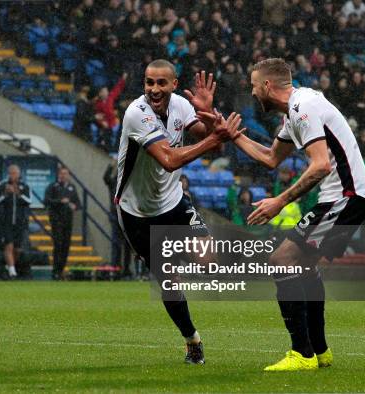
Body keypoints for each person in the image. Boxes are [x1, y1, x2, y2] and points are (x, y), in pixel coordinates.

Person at [230, 58, 365, 371]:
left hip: (345, 196)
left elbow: (320, 165)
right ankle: (319, 352)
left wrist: (279, 201)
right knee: (303, 267)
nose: (253, 94)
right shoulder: (297, 110)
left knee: (281, 259)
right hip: (344, 197)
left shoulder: (302, 107)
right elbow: (270, 158)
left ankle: (302, 353)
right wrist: (231, 135)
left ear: (267, 85)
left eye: (254, 86)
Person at [115, 62, 241, 365]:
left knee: (210, 263)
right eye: (148, 83)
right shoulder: (136, 113)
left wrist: (210, 117)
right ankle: (192, 340)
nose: (154, 89)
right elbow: (169, 161)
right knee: (169, 282)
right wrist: (214, 138)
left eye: (161, 83)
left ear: (174, 84)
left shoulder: (182, 106)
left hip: (173, 203)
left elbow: (209, 141)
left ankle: (176, 254)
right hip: (137, 212)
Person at [44, 166, 81, 280]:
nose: (64, 176)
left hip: (68, 220)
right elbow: (46, 200)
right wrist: (60, 201)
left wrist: (75, 206)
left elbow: (78, 203)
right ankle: (55, 270)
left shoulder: (71, 188)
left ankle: (61, 270)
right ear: (58, 175)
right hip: (56, 220)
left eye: (66, 174)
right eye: (62, 173)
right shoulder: (53, 186)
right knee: (58, 245)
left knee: (66, 245)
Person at [0, 164, 31, 278]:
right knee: (8, 246)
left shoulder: (24, 186)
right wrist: (6, 194)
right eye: (10, 173)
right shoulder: (2, 185)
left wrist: (17, 193)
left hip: (20, 222)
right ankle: (12, 272)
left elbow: (29, 200)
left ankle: (9, 267)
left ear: (19, 174)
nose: (12, 176)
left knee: (17, 249)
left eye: (14, 173)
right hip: (6, 221)